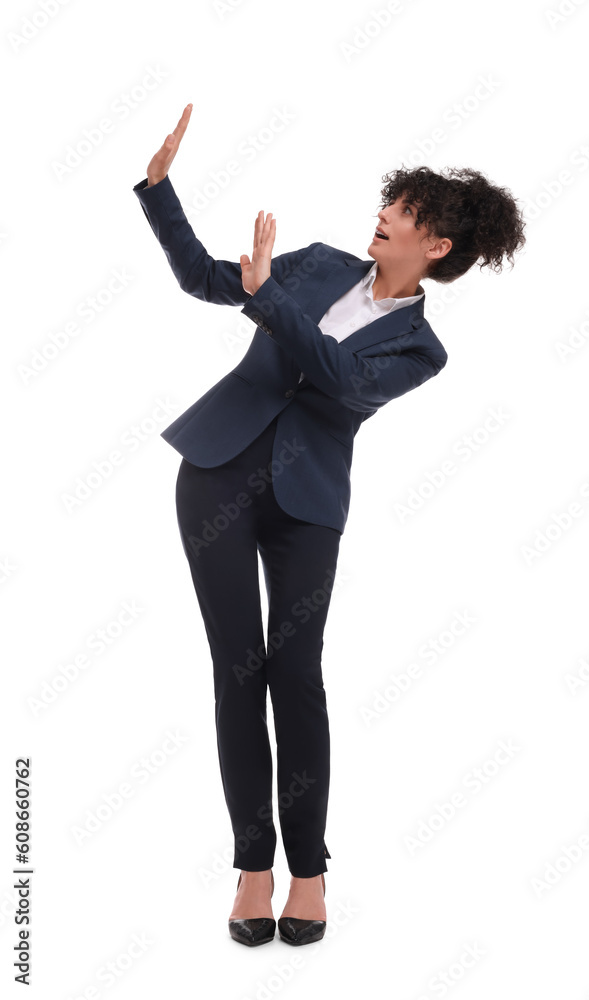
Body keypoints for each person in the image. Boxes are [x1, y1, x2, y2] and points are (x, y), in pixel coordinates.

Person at [133, 103, 526, 947]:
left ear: (439, 247)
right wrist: (162, 193)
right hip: (215, 475)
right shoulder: (313, 264)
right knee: (237, 672)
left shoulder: (421, 351)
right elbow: (210, 279)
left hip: (307, 504)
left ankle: (308, 871)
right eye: (389, 204)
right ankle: (252, 869)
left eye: (406, 214)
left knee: (296, 672)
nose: (384, 216)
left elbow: (339, 375)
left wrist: (269, 294)